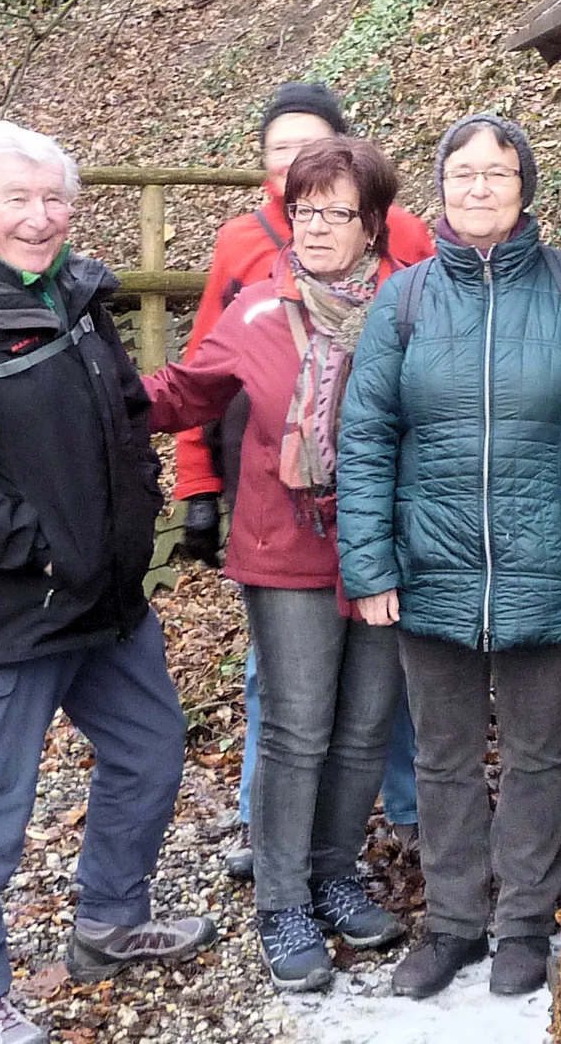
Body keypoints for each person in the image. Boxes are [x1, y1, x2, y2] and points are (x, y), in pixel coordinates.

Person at [0, 122, 215, 1044]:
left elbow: (115, 417)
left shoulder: (76, 292)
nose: (39, 218)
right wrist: (50, 549)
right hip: (12, 610)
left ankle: (109, 922)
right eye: (17, 199)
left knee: (148, 752)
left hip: (106, 604)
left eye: (54, 199)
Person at [336, 113, 561, 999]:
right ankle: (452, 925)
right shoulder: (402, 301)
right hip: (429, 561)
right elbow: (364, 439)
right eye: (463, 173)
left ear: (525, 189)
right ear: (441, 189)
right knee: (441, 758)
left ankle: (522, 924)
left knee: (534, 754)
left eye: (498, 173)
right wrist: (370, 566)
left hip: (544, 556)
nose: (479, 188)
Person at [172, 82, 432, 879]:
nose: (315, 221)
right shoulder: (254, 286)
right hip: (283, 526)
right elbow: (186, 384)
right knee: (293, 714)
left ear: (370, 216)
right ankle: (278, 875)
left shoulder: (411, 290)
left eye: (334, 209)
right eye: (303, 205)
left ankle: (340, 866)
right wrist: (196, 485)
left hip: (385, 537)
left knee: (367, 718)